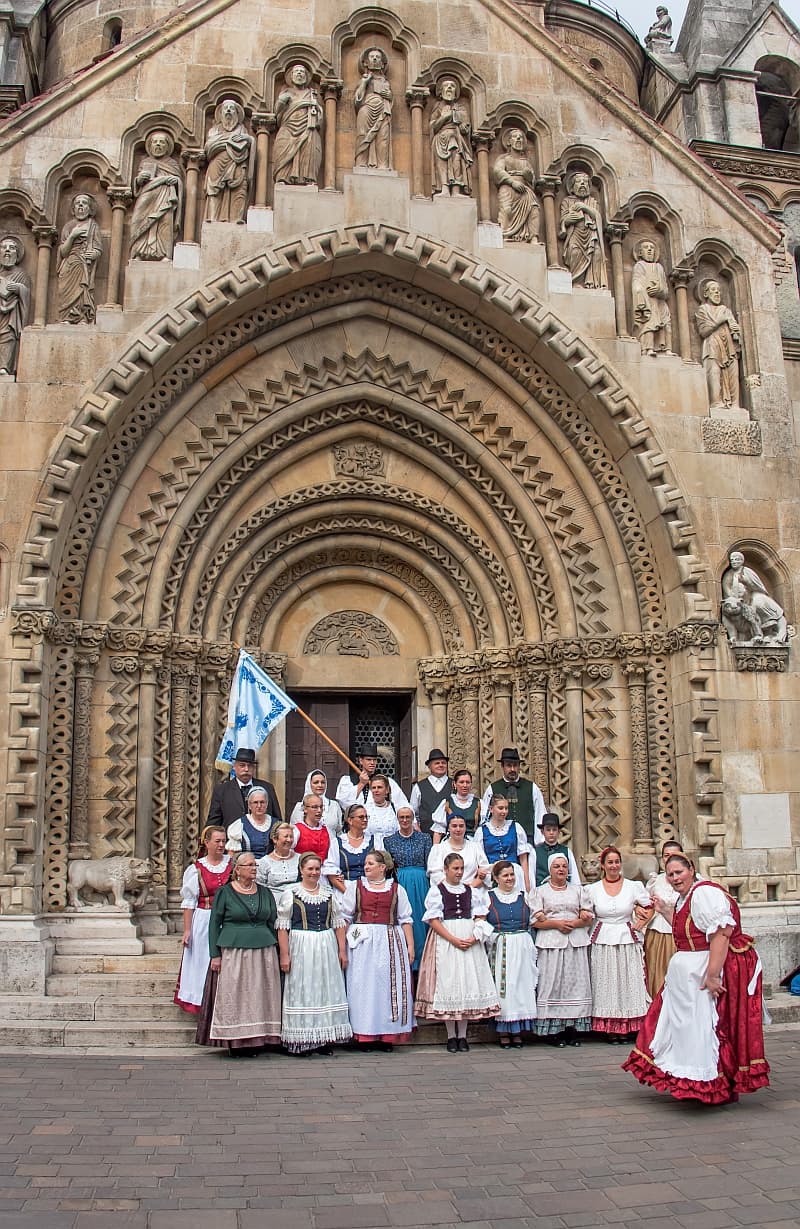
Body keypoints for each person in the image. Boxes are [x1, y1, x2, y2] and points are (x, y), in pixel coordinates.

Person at [623, 853, 770, 1104]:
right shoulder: (686, 897)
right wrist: (666, 911)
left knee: (705, 1028)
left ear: (691, 869)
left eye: (679, 872)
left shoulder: (704, 893)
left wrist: (712, 975)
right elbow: (690, 932)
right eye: (670, 874)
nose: (674, 878)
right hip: (687, 974)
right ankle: (691, 1081)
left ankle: (711, 1084)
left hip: (701, 971)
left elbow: (721, 933)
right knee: (684, 1028)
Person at [200, 850, 281, 1054]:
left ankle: (259, 1039)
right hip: (234, 951)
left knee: (260, 995)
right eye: (250, 865)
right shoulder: (225, 893)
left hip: (263, 951)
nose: (255, 868)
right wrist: (214, 954)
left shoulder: (264, 892)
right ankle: (236, 1042)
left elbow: (273, 922)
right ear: (237, 870)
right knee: (236, 995)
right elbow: (214, 924)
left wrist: (280, 950)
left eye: (255, 865)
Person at [415, 852, 499, 1050]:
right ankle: (451, 1036)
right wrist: (452, 938)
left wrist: (474, 936)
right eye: (455, 868)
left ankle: (463, 1036)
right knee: (449, 983)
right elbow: (433, 920)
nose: (459, 872)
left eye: (461, 868)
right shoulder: (437, 890)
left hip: (468, 938)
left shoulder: (471, 891)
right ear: (446, 869)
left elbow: (480, 916)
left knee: (466, 983)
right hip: (447, 939)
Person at [276, 852, 352, 1055]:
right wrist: (285, 954)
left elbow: (338, 924)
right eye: (310, 868)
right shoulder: (291, 892)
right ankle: (302, 1039)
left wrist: (342, 951)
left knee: (324, 988)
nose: (314, 872)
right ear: (301, 870)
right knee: (304, 988)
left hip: (325, 944)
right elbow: (283, 926)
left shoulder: (328, 893)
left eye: (317, 869)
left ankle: (323, 1039)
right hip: (301, 944)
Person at [341, 850, 415, 1049]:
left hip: (389, 940)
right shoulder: (354, 887)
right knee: (362, 987)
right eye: (366, 863)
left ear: (383, 867)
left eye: (371, 863)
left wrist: (410, 946)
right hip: (362, 944)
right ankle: (363, 1034)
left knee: (386, 986)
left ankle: (386, 1035)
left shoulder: (397, 890)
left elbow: (405, 919)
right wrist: (341, 948)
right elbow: (345, 918)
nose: (366, 866)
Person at [585, 847, 651, 1042]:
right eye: (610, 862)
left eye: (617, 862)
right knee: (606, 981)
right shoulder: (592, 889)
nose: (614, 866)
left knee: (628, 979)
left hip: (626, 936)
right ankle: (610, 1028)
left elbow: (650, 905)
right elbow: (586, 911)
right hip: (603, 937)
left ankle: (630, 1025)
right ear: (603, 865)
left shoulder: (633, 886)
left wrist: (641, 922)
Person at [531, 853, 594, 1047]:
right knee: (553, 984)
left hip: (574, 941)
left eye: (564, 866)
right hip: (551, 941)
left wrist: (574, 923)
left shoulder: (578, 890)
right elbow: (535, 921)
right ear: (550, 870)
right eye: (557, 866)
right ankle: (554, 1031)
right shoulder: (540, 892)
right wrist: (556, 924)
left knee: (575, 984)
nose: (561, 869)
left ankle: (572, 1030)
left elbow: (588, 915)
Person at [174, 825, 231, 1014]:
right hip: (204, 919)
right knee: (203, 960)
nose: (221, 845)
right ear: (206, 843)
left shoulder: (232, 865)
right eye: (217, 841)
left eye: (224, 841)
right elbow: (189, 902)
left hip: (229, 919)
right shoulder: (196, 869)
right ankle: (202, 1001)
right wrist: (187, 930)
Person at [485, 860, 538, 1048]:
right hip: (502, 946)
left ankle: (518, 1031)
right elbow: (481, 921)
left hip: (522, 945)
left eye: (512, 874)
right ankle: (504, 1031)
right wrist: (490, 938)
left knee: (521, 987)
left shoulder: (524, 896)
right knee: (506, 987)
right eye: (505, 875)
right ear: (496, 878)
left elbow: (535, 919)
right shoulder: (488, 897)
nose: (510, 878)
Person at [385, 806, 432, 973]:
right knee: (404, 918)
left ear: (413, 819)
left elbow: (428, 863)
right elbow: (390, 868)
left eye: (408, 817)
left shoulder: (425, 838)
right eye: (401, 817)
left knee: (420, 920)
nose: (405, 820)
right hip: (401, 882)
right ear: (397, 819)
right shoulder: (388, 840)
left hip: (421, 883)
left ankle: (422, 963)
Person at [129, 130, 184, 261]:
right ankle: (137, 253)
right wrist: (139, 179)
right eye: (155, 142)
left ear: (167, 146)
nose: (158, 145)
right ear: (150, 145)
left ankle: (165, 254)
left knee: (165, 224)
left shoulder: (172, 164)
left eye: (161, 142)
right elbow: (138, 184)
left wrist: (175, 181)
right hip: (147, 196)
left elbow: (179, 181)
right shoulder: (145, 163)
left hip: (165, 196)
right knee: (139, 220)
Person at [642, 839, 683, 996]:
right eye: (666, 855)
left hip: (682, 932)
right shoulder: (655, 881)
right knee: (658, 973)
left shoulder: (693, 880)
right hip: (658, 933)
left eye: (674, 855)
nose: (670, 858)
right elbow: (645, 905)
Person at [272, 64, 323, 186]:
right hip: (288, 126)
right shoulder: (286, 93)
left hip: (307, 127)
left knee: (309, 148)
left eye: (302, 72)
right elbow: (277, 113)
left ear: (306, 76)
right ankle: (283, 177)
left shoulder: (312, 94)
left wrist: (316, 109)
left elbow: (320, 115)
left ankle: (307, 179)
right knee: (283, 147)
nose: (299, 73)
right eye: (296, 72)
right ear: (291, 76)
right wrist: (281, 102)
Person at [695, 278, 742, 410]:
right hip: (712, 344)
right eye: (713, 290)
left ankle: (735, 404)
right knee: (714, 372)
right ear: (705, 294)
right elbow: (703, 331)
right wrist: (720, 320)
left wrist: (736, 330)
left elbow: (734, 326)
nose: (717, 293)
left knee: (733, 373)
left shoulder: (725, 309)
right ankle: (716, 402)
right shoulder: (702, 310)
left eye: (719, 291)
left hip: (729, 346)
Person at [481, 748, 547, 842]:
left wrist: (539, 842)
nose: (512, 769)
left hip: (527, 841)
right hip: (502, 841)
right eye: (508, 765)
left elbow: (540, 814)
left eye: (515, 765)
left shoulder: (532, 788)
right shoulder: (492, 789)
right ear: (502, 766)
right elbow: (485, 817)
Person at [203, 98, 252, 223]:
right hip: (217, 163)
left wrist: (246, 139)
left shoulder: (241, 130)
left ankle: (236, 218)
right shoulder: (214, 130)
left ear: (236, 113)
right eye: (226, 108)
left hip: (237, 163)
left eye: (232, 108)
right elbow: (209, 147)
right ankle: (213, 218)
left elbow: (245, 146)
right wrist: (228, 141)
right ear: (221, 113)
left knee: (240, 188)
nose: (229, 110)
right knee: (214, 190)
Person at [57, 194, 103, 324]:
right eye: (78, 203)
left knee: (83, 291)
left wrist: (95, 254)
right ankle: (66, 317)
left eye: (84, 203)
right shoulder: (68, 226)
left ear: (90, 208)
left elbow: (98, 248)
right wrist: (72, 236)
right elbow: (63, 252)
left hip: (84, 266)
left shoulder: (93, 226)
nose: (81, 205)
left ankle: (82, 317)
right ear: (73, 208)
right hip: (70, 265)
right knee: (66, 293)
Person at [208, 746, 282, 827]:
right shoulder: (222, 790)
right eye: (242, 765)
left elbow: (277, 820)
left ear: (254, 768)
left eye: (249, 765)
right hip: (231, 838)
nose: (246, 769)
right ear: (234, 767)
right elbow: (214, 821)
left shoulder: (267, 788)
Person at [559, 171, 607, 289]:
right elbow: (563, 219)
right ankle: (576, 281)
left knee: (597, 253)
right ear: (572, 186)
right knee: (574, 252)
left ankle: (593, 283)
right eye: (579, 182)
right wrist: (568, 220)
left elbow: (597, 217)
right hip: (575, 234)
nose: (582, 184)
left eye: (585, 182)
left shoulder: (592, 201)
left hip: (591, 234)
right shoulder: (567, 201)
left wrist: (585, 207)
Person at [472, 794, 531, 892]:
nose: (504, 811)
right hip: (491, 875)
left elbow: (523, 858)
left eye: (506, 808)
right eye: (500, 808)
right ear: (491, 809)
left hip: (514, 874)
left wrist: (527, 882)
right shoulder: (481, 831)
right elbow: (478, 859)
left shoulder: (516, 827)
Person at [493, 128, 539, 244]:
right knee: (507, 210)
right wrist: (512, 182)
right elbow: (498, 172)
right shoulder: (504, 159)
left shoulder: (526, 162)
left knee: (534, 210)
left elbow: (532, 181)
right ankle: (506, 235)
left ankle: (533, 237)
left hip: (525, 191)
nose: (519, 139)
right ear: (508, 142)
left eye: (521, 137)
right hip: (508, 189)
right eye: (515, 137)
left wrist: (529, 177)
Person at [429, 77, 473, 197]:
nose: (449, 88)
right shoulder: (437, 107)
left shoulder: (461, 108)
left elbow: (466, 128)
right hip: (440, 138)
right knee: (441, 162)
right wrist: (444, 117)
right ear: (440, 91)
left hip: (456, 138)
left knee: (457, 161)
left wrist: (455, 117)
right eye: (446, 86)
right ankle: (444, 189)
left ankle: (456, 190)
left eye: (452, 86)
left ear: (456, 92)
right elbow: (433, 127)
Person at [324, 802, 379, 893]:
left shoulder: (375, 841)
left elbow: (381, 868)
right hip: (345, 890)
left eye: (366, 817)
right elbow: (332, 874)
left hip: (371, 889)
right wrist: (348, 894)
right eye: (361, 817)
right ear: (350, 820)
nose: (365, 820)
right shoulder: (337, 843)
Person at [335, 743, 407, 812]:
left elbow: (401, 803)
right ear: (361, 760)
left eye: (374, 760)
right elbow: (344, 802)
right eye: (368, 760)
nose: (372, 763)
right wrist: (361, 784)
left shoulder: (387, 781)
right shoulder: (348, 780)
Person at [427, 814, 490, 891]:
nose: (458, 829)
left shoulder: (475, 847)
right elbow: (435, 874)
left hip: (472, 890)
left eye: (461, 826)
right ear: (448, 828)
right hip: (446, 892)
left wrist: (470, 887)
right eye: (454, 826)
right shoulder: (438, 849)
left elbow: (485, 870)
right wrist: (454, 888)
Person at [631, 238, 672, 357]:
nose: (649, 249)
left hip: (660, 301)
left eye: (652, 248)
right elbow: (636, 282)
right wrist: (641, 292)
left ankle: (666, 348)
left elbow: (665, 289)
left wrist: (660, 291)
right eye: (646, 247)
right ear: (639, 253)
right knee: (649, 322)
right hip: (647, 300)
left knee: (666, 323)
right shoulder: (639, 265)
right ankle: (648, 348)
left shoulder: (659, 267)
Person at [354, 47, 393, 170]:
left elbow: (391, 100)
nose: (375, 58)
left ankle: (383, 166)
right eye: (372, 57)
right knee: (362, 135)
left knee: (383, 138)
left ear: (382, 64)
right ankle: (361, 163)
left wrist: (390, 97)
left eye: (378, 57)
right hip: (366, 109)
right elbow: (357, 99)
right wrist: (364, 83)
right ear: (366, 62)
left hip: (383, 110)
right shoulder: (363, 80)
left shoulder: (386, 82)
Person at [0, 235, 31, 376]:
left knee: (8, 336)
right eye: (3, 248)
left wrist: (19, 288)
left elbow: (26, 294)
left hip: (11, 314)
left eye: (11, 248)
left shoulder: (21, 275)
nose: (7, 251)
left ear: (17, 254)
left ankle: (4, 367)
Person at [256, 820, 301, 904]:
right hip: (273, 904)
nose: (289, 840)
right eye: (286, 836)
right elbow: (260, 889)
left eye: (291, 836)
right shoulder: (264, 862)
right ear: (275, 839)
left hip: (297, 903)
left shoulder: (300, 859)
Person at [409, 749, 453, 834]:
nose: (441, 765)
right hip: (426, 834)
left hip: (451, 836)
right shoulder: (419, 786)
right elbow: (413, 811)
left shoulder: (455, 784)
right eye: (437, 763)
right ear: (429, 766)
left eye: (443, 763)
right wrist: (417, 829)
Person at [431, 768, 481, 842]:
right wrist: (435, 850)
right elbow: (438, 831)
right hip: (451, 843)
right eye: (461, 782)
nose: (465, 785)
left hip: (473, 843)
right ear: (455, 784)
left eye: (468, 782)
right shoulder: (447, 803)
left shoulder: (479, 803)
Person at [289, 768, 342, 835]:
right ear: (309, 784)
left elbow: (339, 830)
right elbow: (293, 830)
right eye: (316, 782)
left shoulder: (334, 805)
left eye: (323, 782)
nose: (320, 785)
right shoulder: (300, 807)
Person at [533, 813, 581, 887]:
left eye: (554, 830)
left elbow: (574, 876)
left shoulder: (566, 851)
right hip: (542, 892)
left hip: (563, 891)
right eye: (548, 830)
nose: (551, 833)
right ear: (542, 832)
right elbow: (531, 876)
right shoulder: (535, 852)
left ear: (559, 832)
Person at [225, 786, 274, 858]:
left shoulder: (275, 824)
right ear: (249, 805)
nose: (259, 806)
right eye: (255, 802)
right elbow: (232, 856)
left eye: (262, 802)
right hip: (248, 866)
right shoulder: (239, 825)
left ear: (267, 804)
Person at [364, 773, 401, 843]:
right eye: (373, 788)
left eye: (379, 787)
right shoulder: (365, 810)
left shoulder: (395, 809)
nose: (376, 790)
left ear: (387, 790)